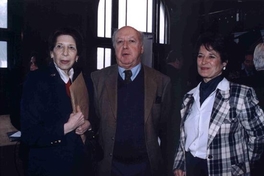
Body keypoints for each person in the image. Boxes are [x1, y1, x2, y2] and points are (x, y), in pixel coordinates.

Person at [173, 32, 264, 176]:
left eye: (211, 56)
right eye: (200, 56)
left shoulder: (240, 95)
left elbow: (259, 136)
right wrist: (179, 163)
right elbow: (182, 137)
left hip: (224, 170)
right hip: (191, 168)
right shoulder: (189, 97)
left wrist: (241, 165)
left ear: (224, 63)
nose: (203, 61)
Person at [91, 26, 171, 176]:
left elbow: (166, 128)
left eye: (132, 41)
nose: (125, 46)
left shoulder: (161, 82)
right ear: (114, 48)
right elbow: (93, 122)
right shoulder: (97, 80)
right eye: (120, 41)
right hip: (109, 166)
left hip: (147, 166)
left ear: (141, 48)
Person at [20, 27, 93, 176]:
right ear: (52, 53)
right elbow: (29, 134)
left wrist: (88, 124)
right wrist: (67, 127)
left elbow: (95, 115)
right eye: (60, 46)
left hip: (80, 166)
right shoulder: (36, 81)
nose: (65, 53)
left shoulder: (84, 80)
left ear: (77, 55)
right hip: (47, 167)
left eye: (71, 48)